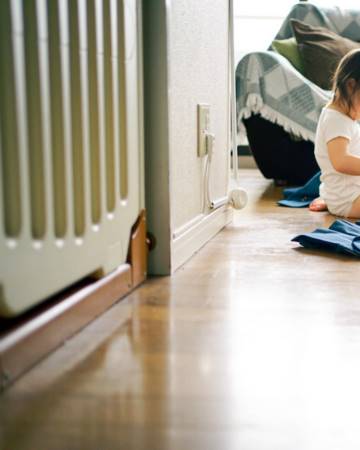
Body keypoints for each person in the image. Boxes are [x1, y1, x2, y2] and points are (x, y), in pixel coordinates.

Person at [309, 48, 360, 218]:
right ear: (351, 85)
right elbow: (341, 162)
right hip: (350, 199)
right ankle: (333, 201)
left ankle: (329, 199)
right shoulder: (336, 120)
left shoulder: (344, 117)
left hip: (349, 192)